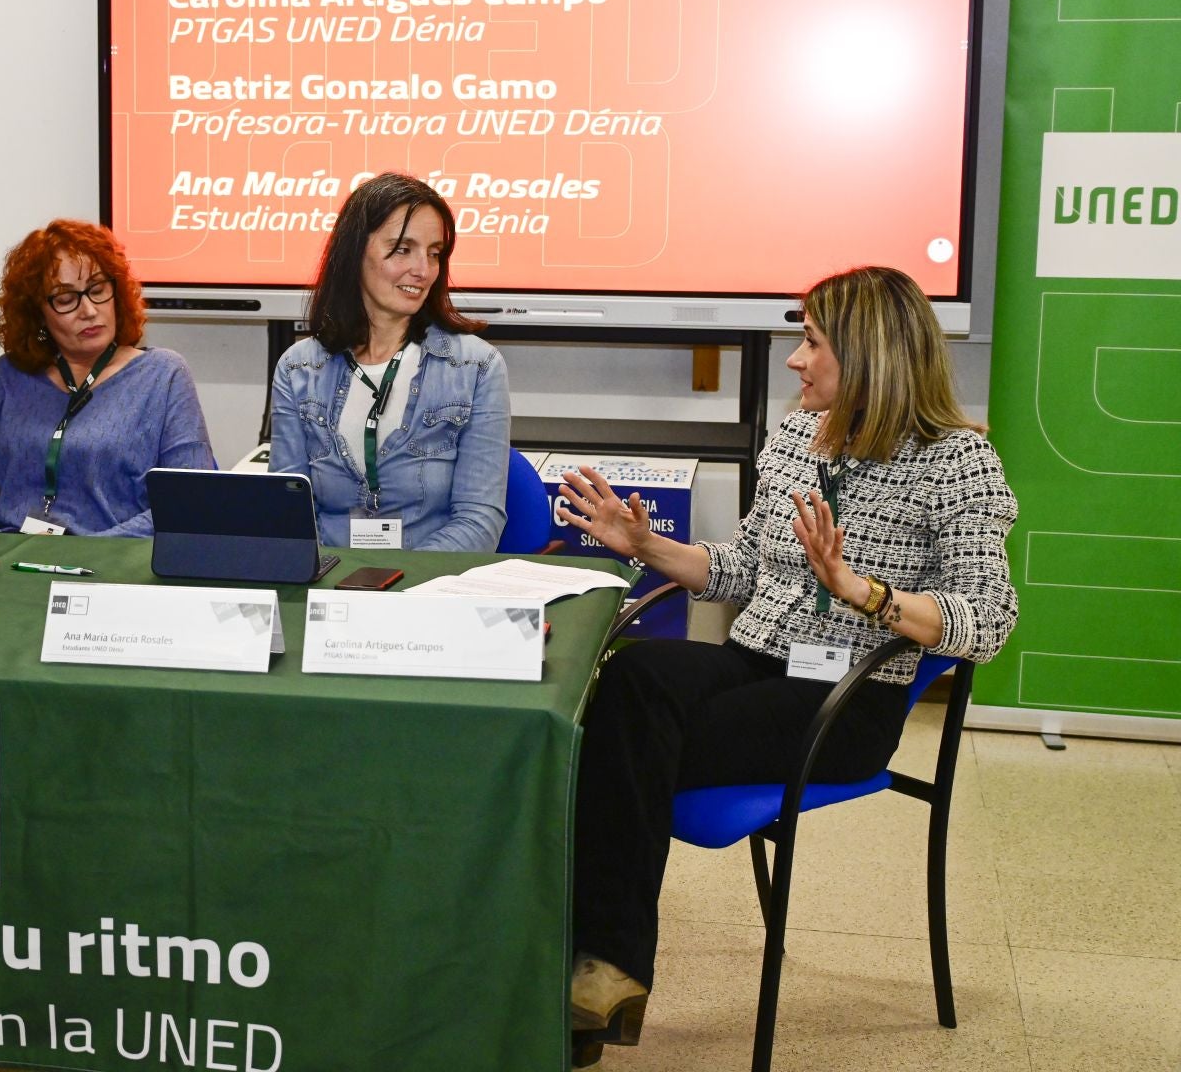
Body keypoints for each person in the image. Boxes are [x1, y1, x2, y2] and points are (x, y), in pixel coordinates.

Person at [556, 266, 1018, 1060]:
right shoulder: (798, 435)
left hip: (849, 694)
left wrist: (865, 592)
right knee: (632, 678)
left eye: (810, 341)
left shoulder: (956, 461)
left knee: (619, 749)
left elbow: (989, 621)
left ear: (868, 352)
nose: (796, 360)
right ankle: (598, 968)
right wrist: (647, 547)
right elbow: (744, 569)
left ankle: (596, 972)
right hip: (755, 657)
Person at [269, 172, 509, 551]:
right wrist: (336, 584)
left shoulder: (476, 367)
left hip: (428, 592)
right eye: (402, 249)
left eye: (434, 253)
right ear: (355, 252)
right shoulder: (298, 368)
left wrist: (397, 589)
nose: (424, 270)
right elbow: (286, 514)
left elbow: (479, 520)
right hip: (328, 585)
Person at [0, 220, 212, 537]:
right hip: (11, 564)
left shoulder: (163, 374)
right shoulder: (5, 378)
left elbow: (189, 498)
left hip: (113, 568)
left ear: (116, 292)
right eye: (66, 299)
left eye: (97, 290)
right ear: (37, 314)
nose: (89, 310)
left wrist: (90, 555)